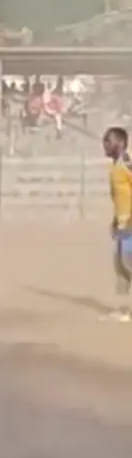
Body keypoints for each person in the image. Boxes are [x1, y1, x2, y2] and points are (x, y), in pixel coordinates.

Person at [103, 126, 132, 322]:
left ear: (119, 144)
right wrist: (116, 220)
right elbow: (120, 196)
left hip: (130, 222)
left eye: (108, 141)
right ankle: (124, 310)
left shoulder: (127, 165)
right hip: (122, 222)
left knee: (127, 262)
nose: (104, 145)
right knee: (120, 266)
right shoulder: (116, 166)